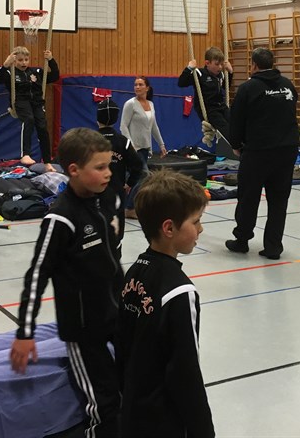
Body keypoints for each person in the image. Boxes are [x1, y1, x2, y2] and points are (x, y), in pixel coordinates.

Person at [11, 128, 123, 438]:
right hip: (84, 330)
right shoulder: (60, 218)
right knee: (105, 404)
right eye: (100, 167)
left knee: (131, 385)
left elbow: (112, 262)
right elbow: (37, 275)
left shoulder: (106, 200)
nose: (108, 173)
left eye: (109, 165)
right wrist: (25, 333)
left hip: (115, 316)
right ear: (73, 170)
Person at [117, 170, 214, 438]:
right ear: (169, 228)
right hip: (163, 420)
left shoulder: (134, 271)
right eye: (196, 221)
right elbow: (186, 372)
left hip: (133, 411)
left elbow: (122, 346)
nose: (201, 229)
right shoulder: (180, 291)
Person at [225, 47, 299, 260]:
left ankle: (242, 240)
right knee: (279, 200)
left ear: (254, 65)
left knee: (248, 196)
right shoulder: (288, 85)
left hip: (258, 151)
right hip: (286, 150)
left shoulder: (248, 88)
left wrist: (236, 144)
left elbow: (236, 120)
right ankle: (273, 246)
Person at [0, 46, 59, 166]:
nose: (23, 63)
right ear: (14, 61)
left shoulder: (36, 72)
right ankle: (25, 154)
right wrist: (6, 64)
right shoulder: (10, 73)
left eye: (26, 60)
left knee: (42, 127)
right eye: (20, 60)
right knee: (29, 119)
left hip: (37, 103)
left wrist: (51, 60)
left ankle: (47, 161)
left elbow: (55, 76)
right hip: (21, 102)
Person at [95, 96, 146, 226]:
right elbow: (138, 165)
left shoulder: (90, 140)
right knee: (116, 227)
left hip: (94, 191)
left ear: (97, 119)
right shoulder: (123, 141)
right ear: (115, 119)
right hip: (117, 191)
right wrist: (129, 183)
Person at [178, 47, 233, 143]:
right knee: (224, 126)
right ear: (207, 63)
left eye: (221, 64)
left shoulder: (220, 75)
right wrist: (189, 68)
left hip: (221, 106)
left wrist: (230, 72)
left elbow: (225, 87)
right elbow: (181, 83)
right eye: (217, 64)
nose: (220, 67)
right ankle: (237, 145)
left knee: (235, 122)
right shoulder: (199, 74)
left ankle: (242, 143)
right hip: (209, 109)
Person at [120, 76, 167, 169]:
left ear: (147, 88)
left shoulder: (151, 104)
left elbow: (154, 127)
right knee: (143, 174)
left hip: (146, 148)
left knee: (138, 175)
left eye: (140, 85)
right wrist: (131, 146)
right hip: (134, 149)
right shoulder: (130, 104)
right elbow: (123, 126)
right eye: (135, 85)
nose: (137, 87)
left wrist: (161, 145)